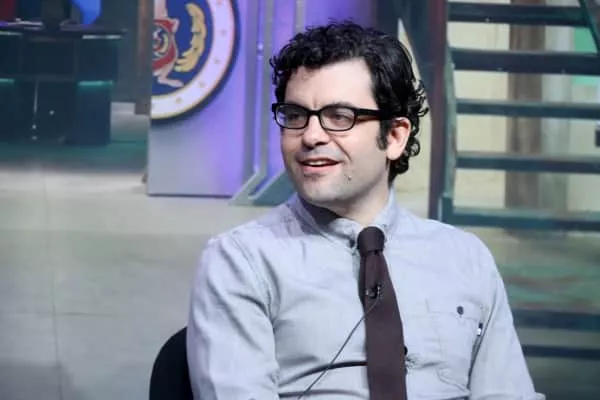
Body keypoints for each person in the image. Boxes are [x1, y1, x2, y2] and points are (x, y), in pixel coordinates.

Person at [186, 20, 544, 399]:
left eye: (340, 117)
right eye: (295, 116)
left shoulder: (466, 259)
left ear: (395, 136)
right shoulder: (241, 262)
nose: (310, 136)